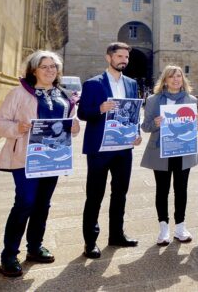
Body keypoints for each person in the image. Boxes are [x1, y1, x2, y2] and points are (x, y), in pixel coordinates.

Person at [0, 51, 80, 277]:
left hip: (52, 159)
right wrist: (17, 128)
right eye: (44, 67)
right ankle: (9, 255)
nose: (50, 70)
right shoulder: (19, 93)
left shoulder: (64, 96)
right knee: (25, 202)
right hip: (24, 158)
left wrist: (74, 126)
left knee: (43, 204)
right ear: (33, 70)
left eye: (53, 67)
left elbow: (70, 122)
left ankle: (34, 247)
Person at [77, 42, 142, 259]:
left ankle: (116, 234)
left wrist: (136, 133)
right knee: (94, 195)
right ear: (109, 58)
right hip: (99, 148)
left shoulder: (132, 84)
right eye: (120, 56)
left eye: (126, 57)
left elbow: (133, 112)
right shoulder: (93, 84)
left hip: (123, 149)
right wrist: (99, 109)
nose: (124, 60)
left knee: (120, 193)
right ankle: (90, 241)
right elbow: (82, 113)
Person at [140, 65, 198, 245]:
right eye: (171, 77)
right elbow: (145, 126)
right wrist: (156, 123)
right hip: (161, 152)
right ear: (165, 80)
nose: (175, 80)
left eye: (179, 76)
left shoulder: (191, 100)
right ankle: (163, 227)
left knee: (181, 190)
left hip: (183, 152)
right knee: (162, 190)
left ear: (183, 79)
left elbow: (194, 127)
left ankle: (180, 226)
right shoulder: (153, 100)